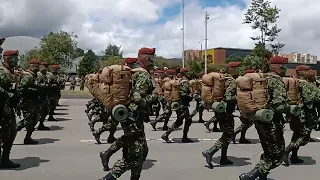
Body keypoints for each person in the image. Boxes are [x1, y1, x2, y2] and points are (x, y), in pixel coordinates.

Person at [98, 48, 155, 180]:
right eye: (151, 58)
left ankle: (107, 154)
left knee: (141, 152)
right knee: (136, 155)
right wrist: (153, 97)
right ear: (146, 58)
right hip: (133, 116)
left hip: (131, 116)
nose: (152, 62)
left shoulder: (135, 72)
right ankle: (108, 177)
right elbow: (137, 99)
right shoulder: (142, 75)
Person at [239, 56, 288, 180]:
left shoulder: (262, 78)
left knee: (268, 151)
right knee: (278, 155)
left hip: (260, 119)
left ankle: (262, 177)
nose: (284, 68)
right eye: (282, 65)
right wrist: (290, 108)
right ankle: (251, 175)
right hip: (272, 122)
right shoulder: (276, 80)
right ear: (276, 66)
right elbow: (278, 105)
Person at [202, 62, 240, 168]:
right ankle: (210, 152)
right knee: (228, 135)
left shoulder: (222, 79)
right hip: (226, 111)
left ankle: (223, 158)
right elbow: (228, 97)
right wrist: (237, 99)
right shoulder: (231, 80)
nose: (238, 70)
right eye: (236, 68)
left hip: (218, 108)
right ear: (232, 69)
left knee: (226, 134)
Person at [161, 67, 194, 143]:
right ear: (185, 73)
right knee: (188, 120)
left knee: (180, 121)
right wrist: (190, 96)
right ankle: (183, 137)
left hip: (178, 104)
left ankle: (167, 134)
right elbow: (183, 93)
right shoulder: (184, 81)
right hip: (182, 104)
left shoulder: (179, 81)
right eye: (188, 72)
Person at [0, 48, 20, 168]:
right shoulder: (1, 71)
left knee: (12, 132)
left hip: (8, 107)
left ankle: (5, 159)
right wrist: (8, 94)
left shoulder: (12, 72)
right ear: (7, 59)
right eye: (14, 59)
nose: (16, 61)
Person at [16, 59, 41, 144]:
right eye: (35, 66)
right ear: (31, 66)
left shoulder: (34, 75)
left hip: (33, 101)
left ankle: (28, 138)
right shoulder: (28, 76)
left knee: (34, 119)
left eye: (37, 66)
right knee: (28, 121)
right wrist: (34, 90)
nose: (36, 68)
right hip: (27, 101)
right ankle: (11, 132)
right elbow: (21, 88)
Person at [37, 62, 50, 130]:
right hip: (39, 96)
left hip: (44, 96)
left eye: (46, 67)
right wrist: (45, 85)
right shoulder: (39, 75)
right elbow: (37, 84)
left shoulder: (44, 75)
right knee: (38, 112)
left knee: (45, 111)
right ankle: (21, 126)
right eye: (44, 66)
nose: (45, 68)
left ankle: (41, 124)